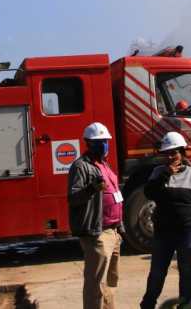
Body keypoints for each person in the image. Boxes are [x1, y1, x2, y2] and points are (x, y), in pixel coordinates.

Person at [140, 131, 191, 309]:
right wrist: (165, 175)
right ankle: (148, 304)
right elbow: (149, 193)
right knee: (157, 272)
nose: (170, 157)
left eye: (174, 152)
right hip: (163, 233)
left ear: (182, 153)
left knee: (187, 271)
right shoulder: (157, 172)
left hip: (187, 232)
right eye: (167, 153)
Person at [68, 122, 125, 309]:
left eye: (106, 141)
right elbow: (73, 197)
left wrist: (121, 228)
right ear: (88, 144)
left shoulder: (105, 164)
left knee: (110, 283)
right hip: (98, 233)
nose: (104, 145)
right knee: (96, 284)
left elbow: (116, 194)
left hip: (113, 231)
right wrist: (92, 188)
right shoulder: (80, 166)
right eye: (99, 142)